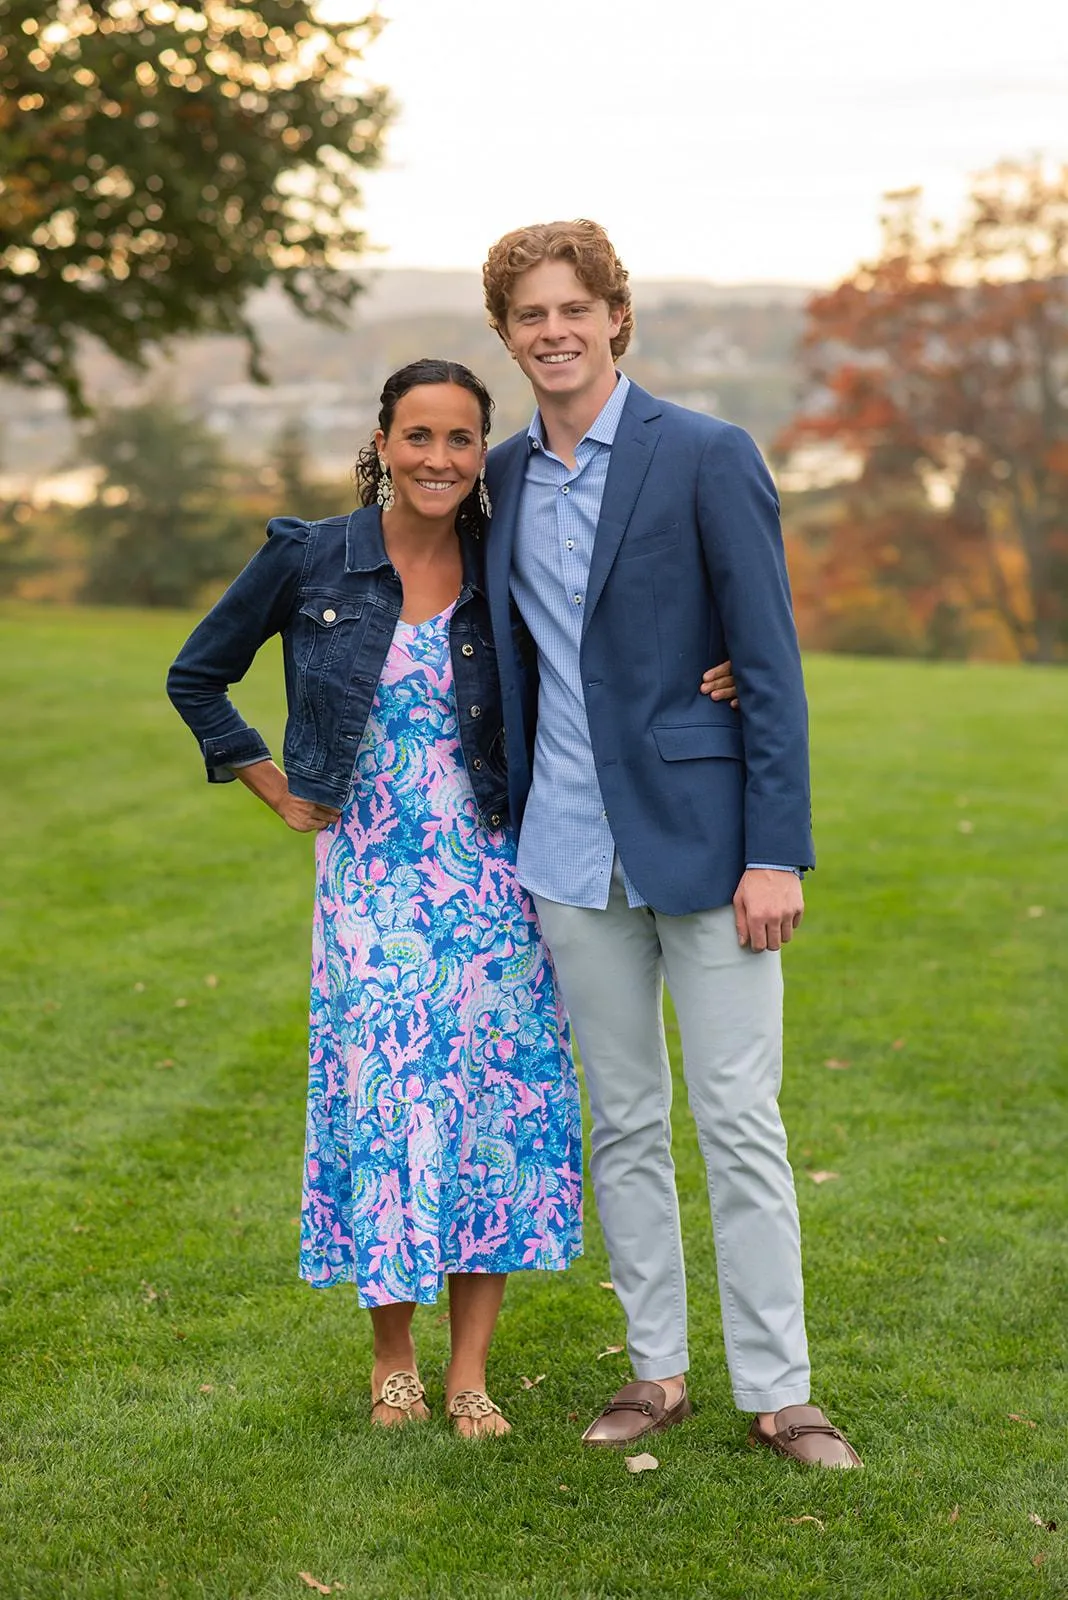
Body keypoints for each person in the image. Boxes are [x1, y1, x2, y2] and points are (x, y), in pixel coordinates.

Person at [480, 221, 862, 1468]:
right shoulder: (502, 479)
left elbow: (768, 665)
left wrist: (777, 851)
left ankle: (783, 1388)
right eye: (529, 314)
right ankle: (656, 1372)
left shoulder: (704, 454)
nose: (553, 330)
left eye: (572, 307)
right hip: (569, 853)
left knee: (740, 1118)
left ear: (614, 317)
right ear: (507, 333)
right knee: (624, 1124)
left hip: (708, 847)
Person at [166, 359, 587, 1439]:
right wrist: (268, 783)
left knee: (493, 1106)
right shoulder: (312, 557)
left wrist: (715, 669)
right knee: (395, 1098)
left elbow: (603, 649)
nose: (439, 459)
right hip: (372, 880)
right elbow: (197, 674)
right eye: (419, 436)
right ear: (384, 443)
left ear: (480, 455)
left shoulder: (505, 566)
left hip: (496, 875)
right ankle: (393, 1358)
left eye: (460, 440)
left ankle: (470, 1373)